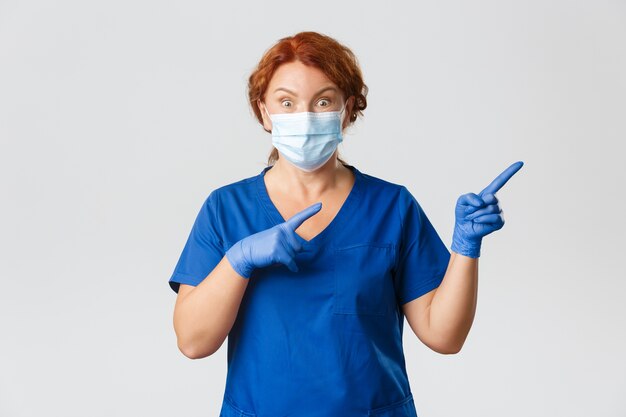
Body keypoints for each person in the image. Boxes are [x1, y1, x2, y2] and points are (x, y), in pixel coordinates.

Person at [168, 31, 523, 417]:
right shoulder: (226, 209)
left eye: (323, 101)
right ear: (264, 112)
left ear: (348, 109)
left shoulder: (391, 207)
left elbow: (445, 336)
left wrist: (465, 247)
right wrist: (238, 261)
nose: (304, 116)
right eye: (286, 102)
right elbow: (193, 342)